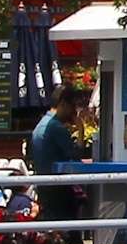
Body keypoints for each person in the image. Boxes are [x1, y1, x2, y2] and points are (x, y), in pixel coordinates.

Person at [26, 84, 98, 229]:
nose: (74, 112)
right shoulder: (56, 127)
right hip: (58, 191)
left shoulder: (41, 124)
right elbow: (76, 154)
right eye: (73, 107)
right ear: (63, 104)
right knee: (69, 231)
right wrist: (80, 128)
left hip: (45, 188)